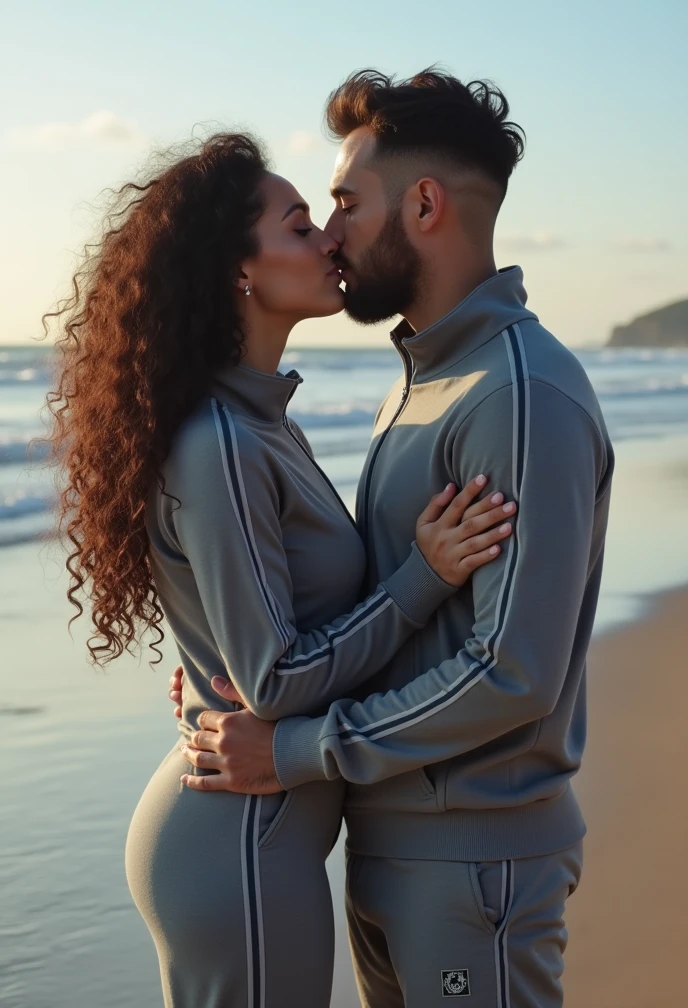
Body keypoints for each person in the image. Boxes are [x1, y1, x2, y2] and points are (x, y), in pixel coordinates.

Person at [44, 130, 517, 1008]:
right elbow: (276, 679)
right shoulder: (223, 442)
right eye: (302, 226)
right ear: (238, 271)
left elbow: (254, 646)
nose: (330, 242)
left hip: (254, 838)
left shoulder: (264, 426)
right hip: (239, 847)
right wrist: (423, 574)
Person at [173, 70, 615, 1008]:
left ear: (423, 204)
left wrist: (295, 749)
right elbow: (371, 602)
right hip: (390, 846)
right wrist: (226, 663)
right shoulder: (422, 382)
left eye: (343, 202)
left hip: (474, 865)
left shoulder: (517, 394)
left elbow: (511, 670)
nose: (330, 232)